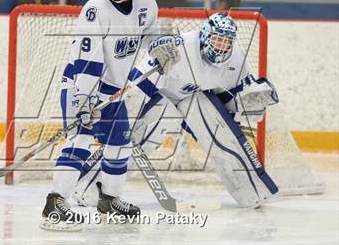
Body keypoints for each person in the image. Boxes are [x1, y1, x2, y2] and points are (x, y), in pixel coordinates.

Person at [73, 12, 280, 209]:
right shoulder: (179, 48)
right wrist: (123, 120)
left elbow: (228, 97)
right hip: (162, 97)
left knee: (224, 136)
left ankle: (253, 191)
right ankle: (88, 187)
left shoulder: (235, 58)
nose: (222, 46)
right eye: (218, 39)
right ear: (206, 36)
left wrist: (244, 105)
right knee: (130, 141)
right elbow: (138, 85)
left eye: (227, 41)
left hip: (194, 98)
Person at [39, 0, 180, 231]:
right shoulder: (94, 10)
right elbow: (89, 62)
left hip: (114, 90)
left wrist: (159, 48)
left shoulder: (145, 2)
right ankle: (54, 204)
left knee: (120, 146)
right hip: (82, 85)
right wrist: (83, 100)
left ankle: (109, 200)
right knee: (79, 143)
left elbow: (150, 33)